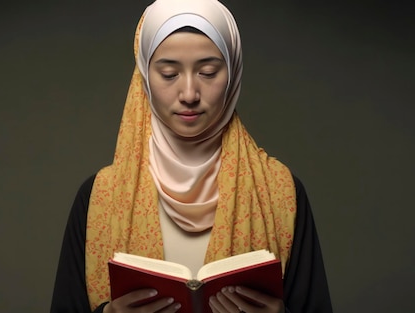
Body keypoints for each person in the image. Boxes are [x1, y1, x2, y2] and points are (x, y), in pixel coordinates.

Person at [50, 0, 332, 312]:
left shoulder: (281, 192)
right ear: (144, 75)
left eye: (208, 72)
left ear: (234, 71)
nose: (189, 94)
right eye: (169, 73)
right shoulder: (99, 196)